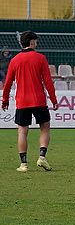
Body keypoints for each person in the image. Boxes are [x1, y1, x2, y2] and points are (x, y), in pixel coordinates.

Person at [1, 31, 58, 172]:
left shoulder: (15, 60)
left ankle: (23, 164)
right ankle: (42, 157)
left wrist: (5, 100)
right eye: (36, 41)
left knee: (22, 132)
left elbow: (7, 82)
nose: (37, 44)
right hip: (38, 100)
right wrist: (53, 99)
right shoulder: (40, 58)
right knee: (44, 128)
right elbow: (48, 81)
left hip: (22, 101)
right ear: (32, 42)